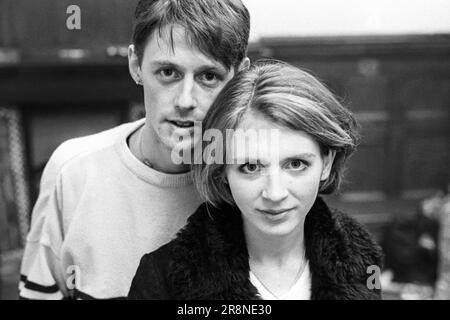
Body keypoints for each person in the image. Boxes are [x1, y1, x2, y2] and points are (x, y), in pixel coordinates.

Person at [19, 0, 250, 299]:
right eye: (168, 72)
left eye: (209, 76)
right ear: (135, 64)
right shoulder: (73, 170)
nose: (185, 100)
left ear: (239, 77)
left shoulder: (258, 177)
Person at [128, 60, 384, 300]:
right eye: (250, 167)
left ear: (326, 163)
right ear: (222, 170)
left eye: (296, 164)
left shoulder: (363, 259)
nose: (275, 194)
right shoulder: (161, 280)